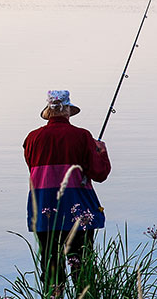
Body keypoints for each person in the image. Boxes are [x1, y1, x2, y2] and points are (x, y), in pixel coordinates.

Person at [23, 89, 111, 293]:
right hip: (78, 212)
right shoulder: (82, 136)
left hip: (43, 211)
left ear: (49, 111)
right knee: (81, 268)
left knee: (51, 269)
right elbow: (99, 173)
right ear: (68, 111)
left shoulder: (32, 138)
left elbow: (33, 168)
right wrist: (102, 152)